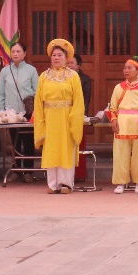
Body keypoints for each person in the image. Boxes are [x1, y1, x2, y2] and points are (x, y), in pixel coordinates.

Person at [33, 39, 85, 194]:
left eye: (60, 55)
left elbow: (78, 100)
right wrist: (40, 121)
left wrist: (74, 120)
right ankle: (52, 184)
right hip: (49, 119)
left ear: (66, 57)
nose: (56, 57)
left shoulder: (73, 76)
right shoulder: (43, 76)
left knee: (65, 150)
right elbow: (38, 100)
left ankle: (66, 184)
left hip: (66, 117)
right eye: (54, 55)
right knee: (51, 150)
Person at [99, 58, 138, 193]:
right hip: (122, 123)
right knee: (120, 154)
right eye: (125, 68)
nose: (126, 70)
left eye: (129, 68)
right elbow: (112, 108)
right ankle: (121, 182)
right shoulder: (118, 87)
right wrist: (114, 120)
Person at [0, 41, 39, 164]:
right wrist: (1, 111)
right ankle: (15, 170)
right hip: (11, 114)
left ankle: (28, 172)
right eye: (13, 51)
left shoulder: (31, 70)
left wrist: (36, 111)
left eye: (18, 51)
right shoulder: (5, 71)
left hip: (28, 112)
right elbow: (0, 92)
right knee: (14, 142)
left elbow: (37, 91)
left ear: (24, 54)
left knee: (28, 142)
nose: (15, 54)